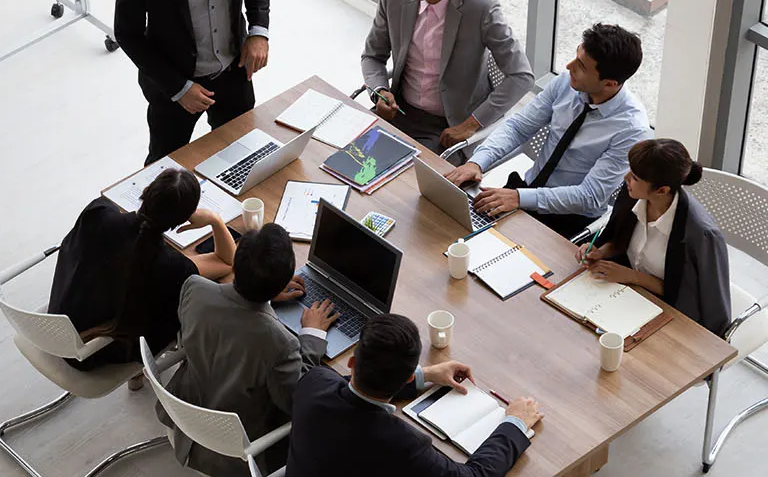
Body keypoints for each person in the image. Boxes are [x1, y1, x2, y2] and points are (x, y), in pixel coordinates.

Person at [157, 223, 338, 476]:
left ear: (235, 262)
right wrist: (313, 334)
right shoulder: (280, 343)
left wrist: (264, 295)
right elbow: (296, 399)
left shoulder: (194, 288)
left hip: (184, 412)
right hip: (234, 449)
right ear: (282, 282)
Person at [445, 23, 652, 239]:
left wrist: (519, 198)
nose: (569, 66)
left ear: (609, 84)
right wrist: (477, 162)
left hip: (567, 219)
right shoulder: (566, 82)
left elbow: (590, 196)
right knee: (452, 232)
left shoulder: (632, 131)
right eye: (576, 56)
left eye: (581, 66)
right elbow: (518, 128)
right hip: (523, 192)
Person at [286, 314, 544, 477]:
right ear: (408, 377)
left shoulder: (313, 382)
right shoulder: (402, 444)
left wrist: (428, 374)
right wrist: (515, 424)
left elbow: (343, 384)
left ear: (352, 363)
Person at [115, 0, 272, 165]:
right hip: (174, 87)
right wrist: (178, 87)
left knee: (239, 158)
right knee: (163, 169)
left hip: (233, 73)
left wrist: (258, 32)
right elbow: (127, 33)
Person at [360, 0, 531, 155]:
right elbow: (373, 56)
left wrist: (471, 125)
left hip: (447, 127)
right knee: (345, 158)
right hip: (398, 111)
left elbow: (522, 76)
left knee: (407, 184)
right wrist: (380, 91)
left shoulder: (482, 11)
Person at [49, 168, 237, 370]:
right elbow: (226, 261)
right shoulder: (172, 266)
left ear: (146, 190)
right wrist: (215, 220)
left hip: (56, 324)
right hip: (91, 353)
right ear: (184, 219)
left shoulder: (98, 213)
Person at [579, 139, 732, 336]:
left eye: (634, 177)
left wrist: (632, 276)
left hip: (668, 315)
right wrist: (599, 252)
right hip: (625, 296)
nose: (626, 177)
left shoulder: (700, 235)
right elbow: (618, 240)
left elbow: (692, 297)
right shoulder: (632, 194)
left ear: (662, 190)